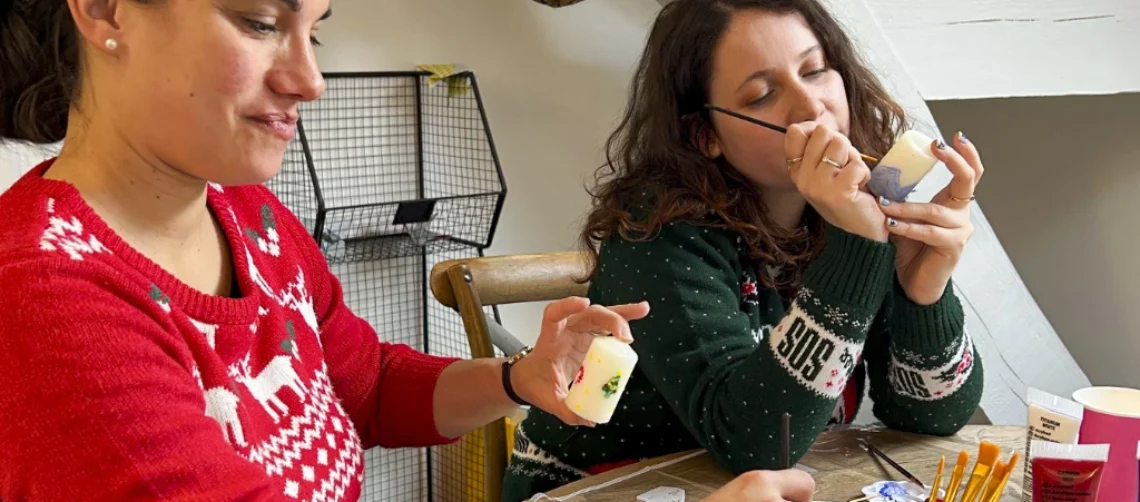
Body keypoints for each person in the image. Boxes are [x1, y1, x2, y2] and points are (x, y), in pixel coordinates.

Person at [0, 1, 822, 501]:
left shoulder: (246, 215)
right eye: (260, 23)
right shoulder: (47, 306)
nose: (309, 78)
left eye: (315, 31)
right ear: (104, 11)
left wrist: (517, 380)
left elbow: (369, 385)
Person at [503, 0, 986, 499]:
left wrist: (923, 295)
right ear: (705, 134)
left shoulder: (856, 213)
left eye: (816, 70)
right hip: (602, 487)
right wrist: (857, 248)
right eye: (762, 95)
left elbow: (932, 414)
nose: (811, 106)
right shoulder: (658, 235)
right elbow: (756, 442)